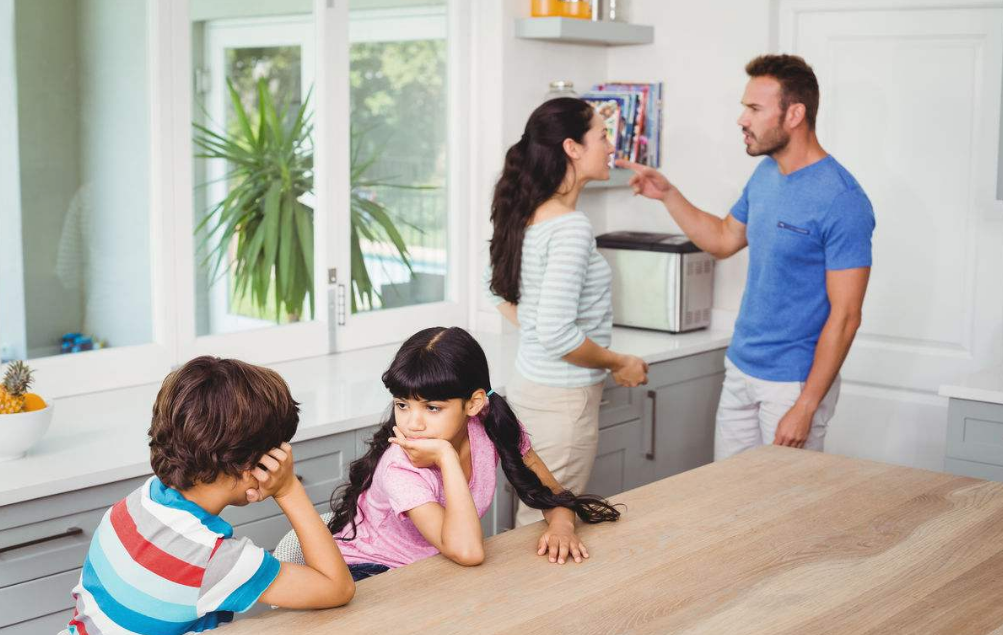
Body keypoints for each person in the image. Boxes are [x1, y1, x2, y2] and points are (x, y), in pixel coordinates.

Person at [618, 54, 875, 459]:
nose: (742, 119)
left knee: (785, 513)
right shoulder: (766, 175)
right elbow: (722, 239)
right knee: (729, 502)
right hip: (741, 368)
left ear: (794, 114)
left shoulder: (842, 200)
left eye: (754, 108)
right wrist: (668, 194)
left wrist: (805, 406)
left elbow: (846, 316)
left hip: (792, 384)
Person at [293, 326, 619, 578]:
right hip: (369, 573)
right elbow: (468, 551)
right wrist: (447, 457)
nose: (412, 422)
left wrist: (561, 525)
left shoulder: (491, 425)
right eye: (402, 405)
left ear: (474, 403)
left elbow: (554, 493)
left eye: (432, 407)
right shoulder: (400, 467)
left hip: (434, 568)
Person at [62, 356, 354, 635]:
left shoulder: (134, 504)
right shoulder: (213, 560)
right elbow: (337, 588)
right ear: (254, 466)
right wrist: (288, 489)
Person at [484, 97, 649, 526]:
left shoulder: (527, 212)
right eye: (602, 134)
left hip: (528, 390)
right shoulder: (570, 227)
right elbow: (558, 335)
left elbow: (498, 295)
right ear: (573, 147)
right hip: (562, 404)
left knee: (532, 524)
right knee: (549, 530)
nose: (611, 145)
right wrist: (620, 362)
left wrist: (538, 328)